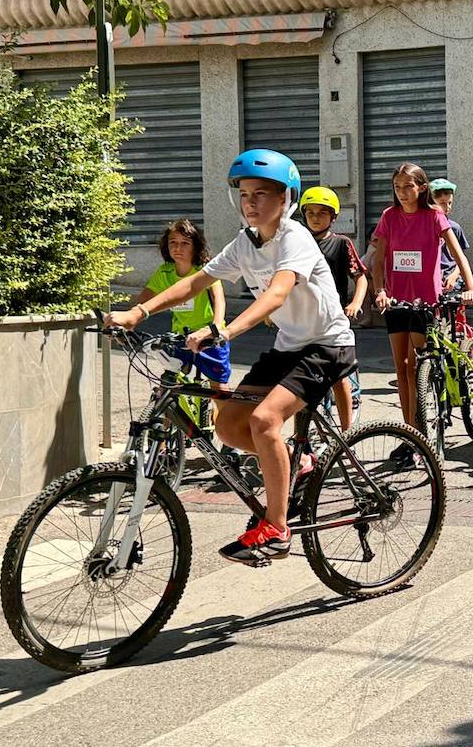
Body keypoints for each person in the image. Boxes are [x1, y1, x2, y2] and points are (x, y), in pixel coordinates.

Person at [107, 149, 357, 564]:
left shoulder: (294, 238)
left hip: (327, 344)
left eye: (262, 194)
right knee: (228, 425)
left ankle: (277, 529)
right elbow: (196, 282)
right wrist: (139, 311)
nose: (251, 202)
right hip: (290, 345)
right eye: (244, 194)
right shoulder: (245, 243)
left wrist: (223, 330)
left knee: (263, 419)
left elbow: (277, 293)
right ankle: (297, 463)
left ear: (286, 199)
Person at [369, 162, 473, 431]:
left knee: (415, 366)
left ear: (422, 187)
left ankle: (419, 429)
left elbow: (458, 253)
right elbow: (379, 259)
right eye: (397, 187)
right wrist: (380, 290)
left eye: (408, 186)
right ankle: (409, 431)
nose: (403, 193)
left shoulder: (433, 216)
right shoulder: (389, 216)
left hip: (425, 301)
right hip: (396, 301)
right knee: (401, 368)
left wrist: (471, 285)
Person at [133, 219, 231, 393]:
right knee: (168, 386)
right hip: (180, 336)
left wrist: (216, 326)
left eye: (185, 243)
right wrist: (129, 320)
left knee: (219, 389)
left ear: (196, 246)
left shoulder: (204, 269)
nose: (178, 248)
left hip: (208, 335)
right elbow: (144, 299)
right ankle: (167, 420)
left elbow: (219, 299)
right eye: (173, 243)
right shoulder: (165, 271)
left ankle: (227, 420)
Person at [298, 186, 368, 430]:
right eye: (310, 213)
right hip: (303, 320)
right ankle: (301, 438)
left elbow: (360, 277)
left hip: (332, 319)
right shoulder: (297, 243)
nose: (316, 217)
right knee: (300, 380)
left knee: (338, 377)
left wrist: (356, 302)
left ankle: (348, 432)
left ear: (333, 217)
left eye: (322, 213)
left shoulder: (341, 243)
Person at [430, 178, 471, 294]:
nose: (447, 207)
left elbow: (462, 259)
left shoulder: (455, 228)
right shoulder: (423, 228)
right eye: (442, 203)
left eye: (450, 203)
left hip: (452, 283)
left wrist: (454, 276)